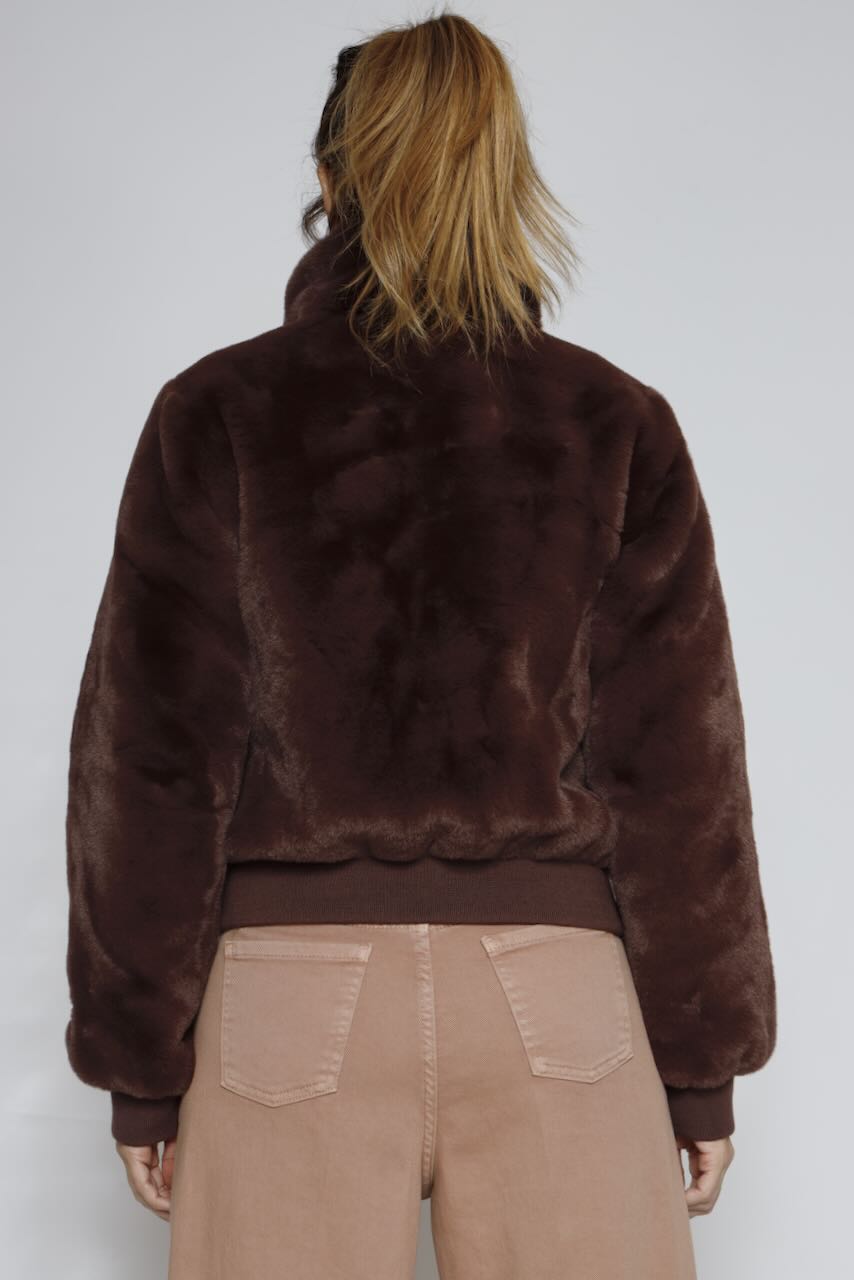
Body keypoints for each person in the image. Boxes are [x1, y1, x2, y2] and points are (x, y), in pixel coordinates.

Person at [63, 12, 776, 1278]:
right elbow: (678, 773)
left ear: (327, 179)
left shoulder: (217, 412)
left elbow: (150, 764)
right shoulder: (613, 421)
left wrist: (140, 1065)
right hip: (555, 1000)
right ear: (505, 174)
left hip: (289, 1005)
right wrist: (698, 1064)